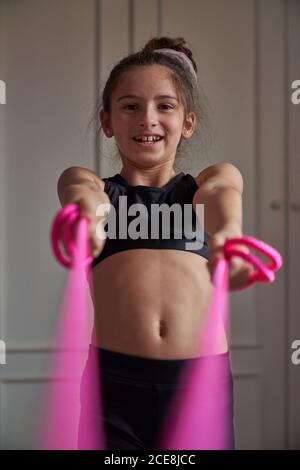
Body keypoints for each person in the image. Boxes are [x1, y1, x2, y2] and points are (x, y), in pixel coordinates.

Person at [57, 36, 253, 450]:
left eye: (165, 106)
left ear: (187, 123)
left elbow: (223, 193)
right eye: (130, 106)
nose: (148, 118)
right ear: (107, 121)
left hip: (200, 384)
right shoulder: (95, 187)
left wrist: (228, 237)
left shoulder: (203, 186)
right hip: (112, 387)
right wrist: (86, 222)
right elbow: (81, 193)